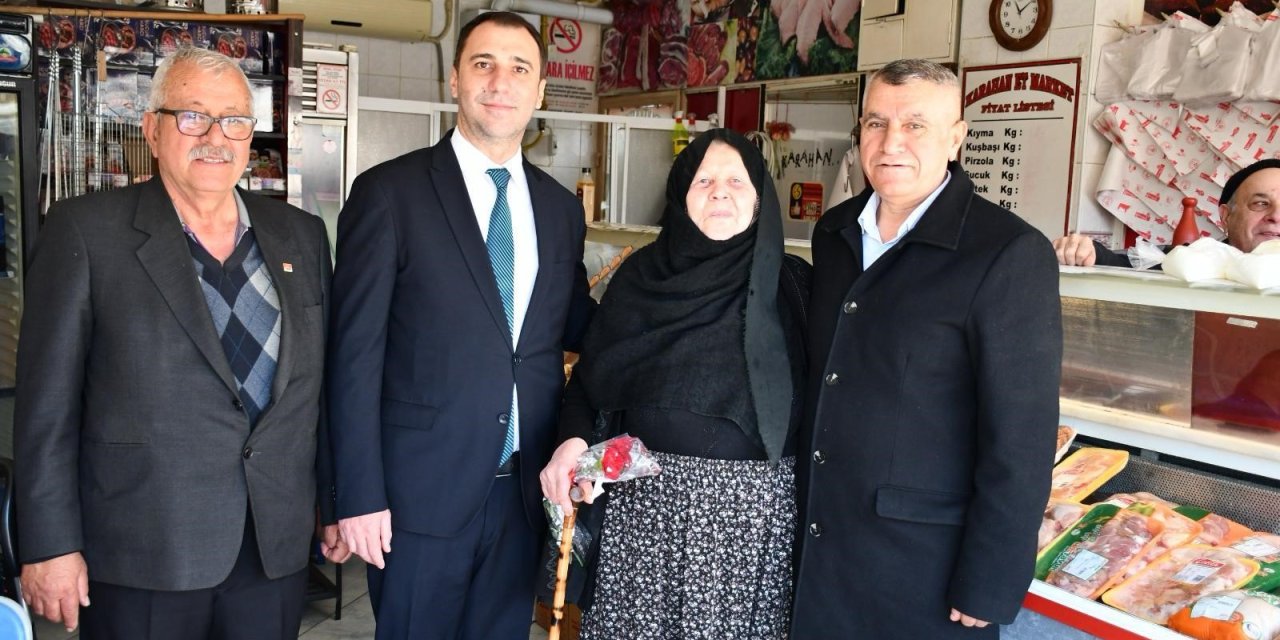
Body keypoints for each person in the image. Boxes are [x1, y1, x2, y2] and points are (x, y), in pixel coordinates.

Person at [14, 46, 346, 638]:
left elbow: (318, 393)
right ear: (152, 129)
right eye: (193, 116)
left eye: (234, 120)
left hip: (272, 546)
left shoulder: (300, 235)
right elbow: (46, 406)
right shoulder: (85, 231)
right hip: (143, 550)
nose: (215, 137)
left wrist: (336, 502)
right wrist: (49, 545)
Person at [326, 11, 594, 640]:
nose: (501, 82)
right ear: (454, 80)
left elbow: (576, 325)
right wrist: (355, 495)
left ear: (540, 89)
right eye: (483, 64)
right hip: (417, 496)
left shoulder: (559, 210)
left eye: (519, 68)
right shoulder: (389, 194)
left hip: (522, 494)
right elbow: (352, 357)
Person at [792, 58, 1063, 639]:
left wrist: (992, 578)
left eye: (915, 124)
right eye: (876, 123)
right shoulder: (834, 233)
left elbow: (1021, 436)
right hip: (824, 540)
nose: (891, 142)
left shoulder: (1006, 252)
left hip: (924, 566)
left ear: (956, 138)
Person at [540, 128, 810, 639]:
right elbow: (592, 383)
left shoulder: (793, 285)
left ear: (760, 197)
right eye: (703, 180)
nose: (720, 192)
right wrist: (572, 441)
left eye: (736, 180)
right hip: (641, 519)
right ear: (681, 193)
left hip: (750, 530)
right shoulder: (642, 277)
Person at [1054, 158, 1280, 266]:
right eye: (1260, 203)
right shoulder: (1185, 261)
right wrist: (1084, 251)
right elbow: (1119, 262)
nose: (1276, 216)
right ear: (1226, 216)